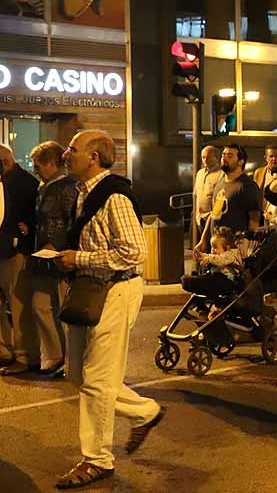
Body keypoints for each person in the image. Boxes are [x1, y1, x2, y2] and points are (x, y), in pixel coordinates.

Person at [52, 131, 163, 489]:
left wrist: (79, 257)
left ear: (94, 157)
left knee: (98, 381)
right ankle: (146, 411)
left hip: (115, 290)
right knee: (79, 377)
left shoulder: (113, 195)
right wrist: (68, 256)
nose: (66, 154)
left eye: (73, 149)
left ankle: (97, 459)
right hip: (91, 288)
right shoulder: (83, 192)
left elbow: (135, 251)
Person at [25, 141, 78, 378]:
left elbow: (72, 220)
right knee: (40, 305)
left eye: (39, 165)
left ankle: (70, 359)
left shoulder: (67, 187)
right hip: (43, 256)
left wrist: (57, 244)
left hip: (58, 256)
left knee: (62, 309)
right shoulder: (45, 187)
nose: (36, 170)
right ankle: (56, 355)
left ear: (52, 163)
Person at [0, 143, 40, 376]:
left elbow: (36, 214)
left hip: (14, 254)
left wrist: (27, 230)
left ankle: (26, 356)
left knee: (19, 306)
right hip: (5, 251)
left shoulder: (23, 182)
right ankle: (6, 352)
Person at [195, 145, 261, 253]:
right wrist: (203, 239)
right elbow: (214, 214)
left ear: (241, 161)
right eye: (223, 155)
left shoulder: (247, 186)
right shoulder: (220, 183)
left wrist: (249, 248)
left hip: (234, 249)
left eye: (230, 156)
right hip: (216, 248)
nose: (224, 158)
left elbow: (254, 220)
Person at [192, 145, 223, 244]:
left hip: (212, 218)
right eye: (203, 157)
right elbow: (196, 195)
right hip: (199, 218)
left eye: (208, 157)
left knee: (211, 247)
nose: (205, 160)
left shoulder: (221, 174)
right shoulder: (200, 173)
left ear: (217, 158)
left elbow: (220, 200)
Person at [252, 145, 277, 225]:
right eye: (271, 156)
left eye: (276, 156)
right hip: (261, 213)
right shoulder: (259, 172)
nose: (274, 159)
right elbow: (255, 193)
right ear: (266, 158)